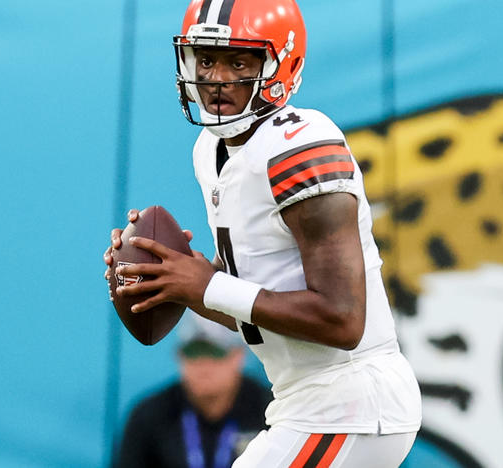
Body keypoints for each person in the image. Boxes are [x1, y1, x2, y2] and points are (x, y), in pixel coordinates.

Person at [104, 0, 422, 466]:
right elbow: (260, 316)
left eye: (238, 61)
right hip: (306, 402)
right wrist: (176, 280)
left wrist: (208, 284)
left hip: (351, 403)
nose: (215, 78)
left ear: (279, 65)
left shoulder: (300, 144)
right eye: (206, 59)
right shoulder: (209, 150)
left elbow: (342, 320)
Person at [113, 313, 272, 468]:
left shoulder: (270, 411)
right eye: (193, 353)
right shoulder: (149, 417)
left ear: (238, 356)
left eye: (215, 354)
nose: (203, 367)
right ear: (179, 356)